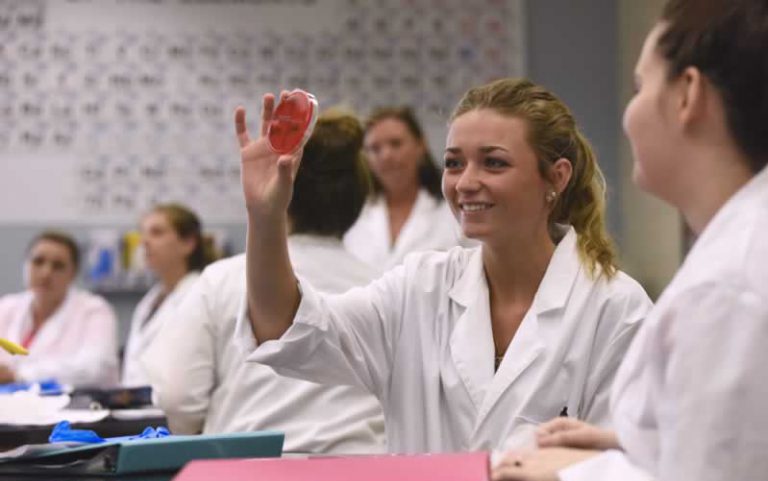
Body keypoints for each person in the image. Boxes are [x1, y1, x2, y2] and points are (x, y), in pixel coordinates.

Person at [233, 79, 652, 453]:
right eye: (454, 163)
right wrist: (266, 216)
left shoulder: (615, 309)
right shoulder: (420, 288)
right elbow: (287, 329)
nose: (465, 183)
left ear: (557, 177)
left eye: (494, 163)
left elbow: (624, 462)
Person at [492, 1, 768, 481]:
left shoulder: (729, 288)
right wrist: (630, 444)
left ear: (687, 95)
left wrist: (590, 476)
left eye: (640, 87)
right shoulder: (743, 245)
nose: (628, 116)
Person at [143, 111, 385, 454]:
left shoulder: (221, 280)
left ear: (280, 193)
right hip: (364, 473)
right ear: (358, 202)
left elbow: (177, 397)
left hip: (247, 472)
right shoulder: (384, 285)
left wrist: (203, 434)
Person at [343, 107, 464, 271]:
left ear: (420, 146)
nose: (386, 155)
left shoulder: (453, 213)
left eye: (396, 144)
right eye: (375, 148)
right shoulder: (353, 216)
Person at [0, 231, 119, 387]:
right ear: (26, 265)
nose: (46, 273)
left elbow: (95, 368)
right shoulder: (6, 307)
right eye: (38, 261)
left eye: (58, 266)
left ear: (72, 274)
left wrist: (19, 375)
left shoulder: (94, 311)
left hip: (74, 401)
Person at [122, 204, 213, 386]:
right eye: (143, 233)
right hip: (139, 400)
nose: (144, 241)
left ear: (188, 244)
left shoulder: (202, 295)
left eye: (157, 233)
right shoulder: (150, 300)